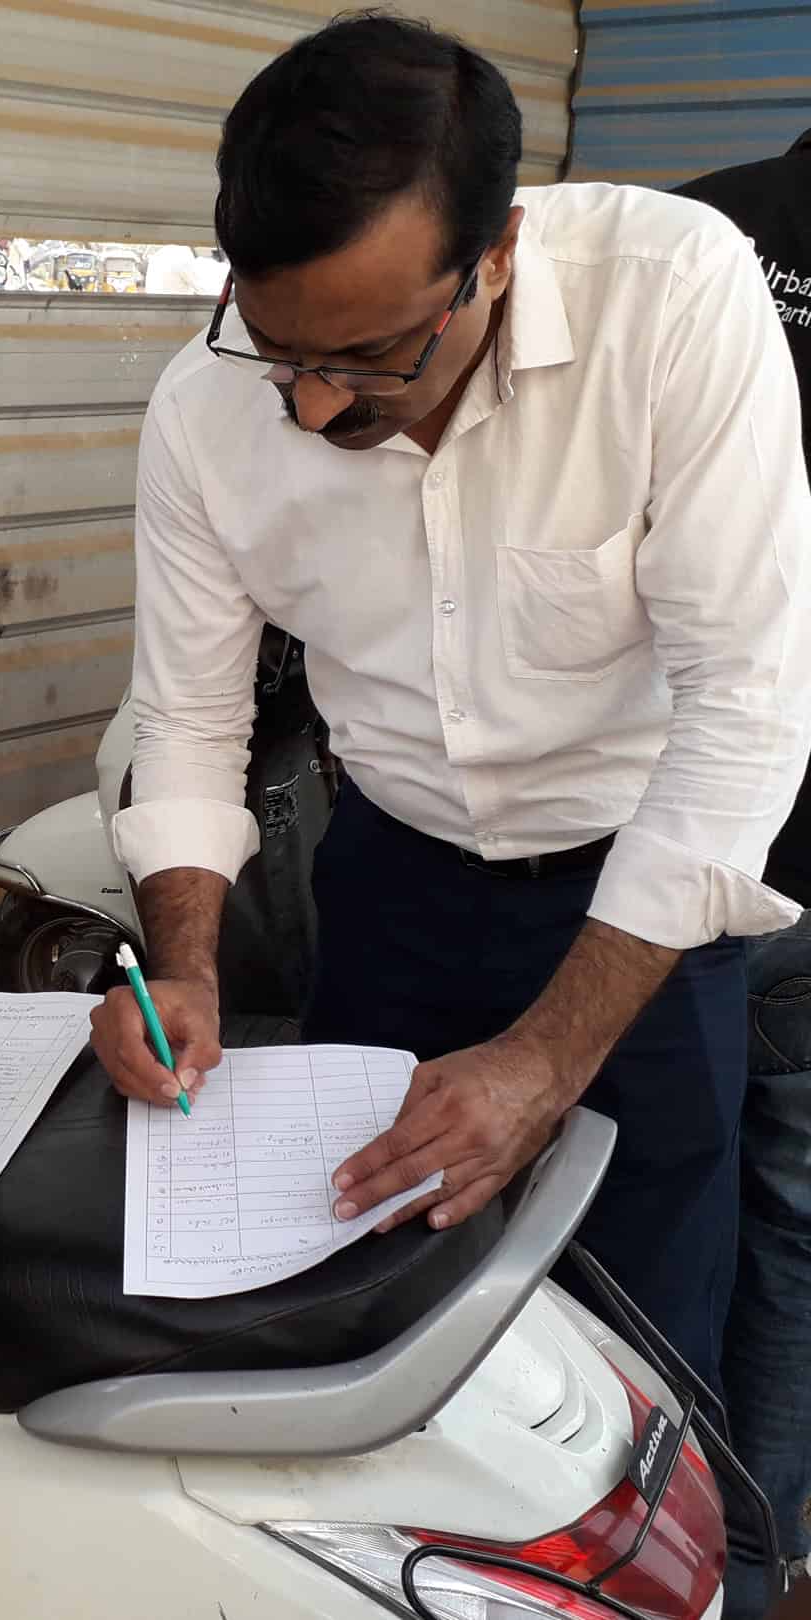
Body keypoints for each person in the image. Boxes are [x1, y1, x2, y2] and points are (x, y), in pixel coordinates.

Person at [90, 9, 808, 1436]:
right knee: (370, 1290)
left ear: (496, 257)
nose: (309, 406)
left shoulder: (670, 295)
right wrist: (185, 969)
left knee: (639, 1332)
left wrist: (545, 1061)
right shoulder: (203, 406)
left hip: (637, 900)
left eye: (366, 359)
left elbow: (744, 705)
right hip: (392, 880)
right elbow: (185, 716)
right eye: (275, 348)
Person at [676, 132, 811, 1617]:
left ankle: (615, 1538)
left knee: (610, 1206)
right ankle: (755, 1561)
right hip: (770, 857)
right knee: (789, 1221)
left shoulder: (695, 237)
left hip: (661, 840)